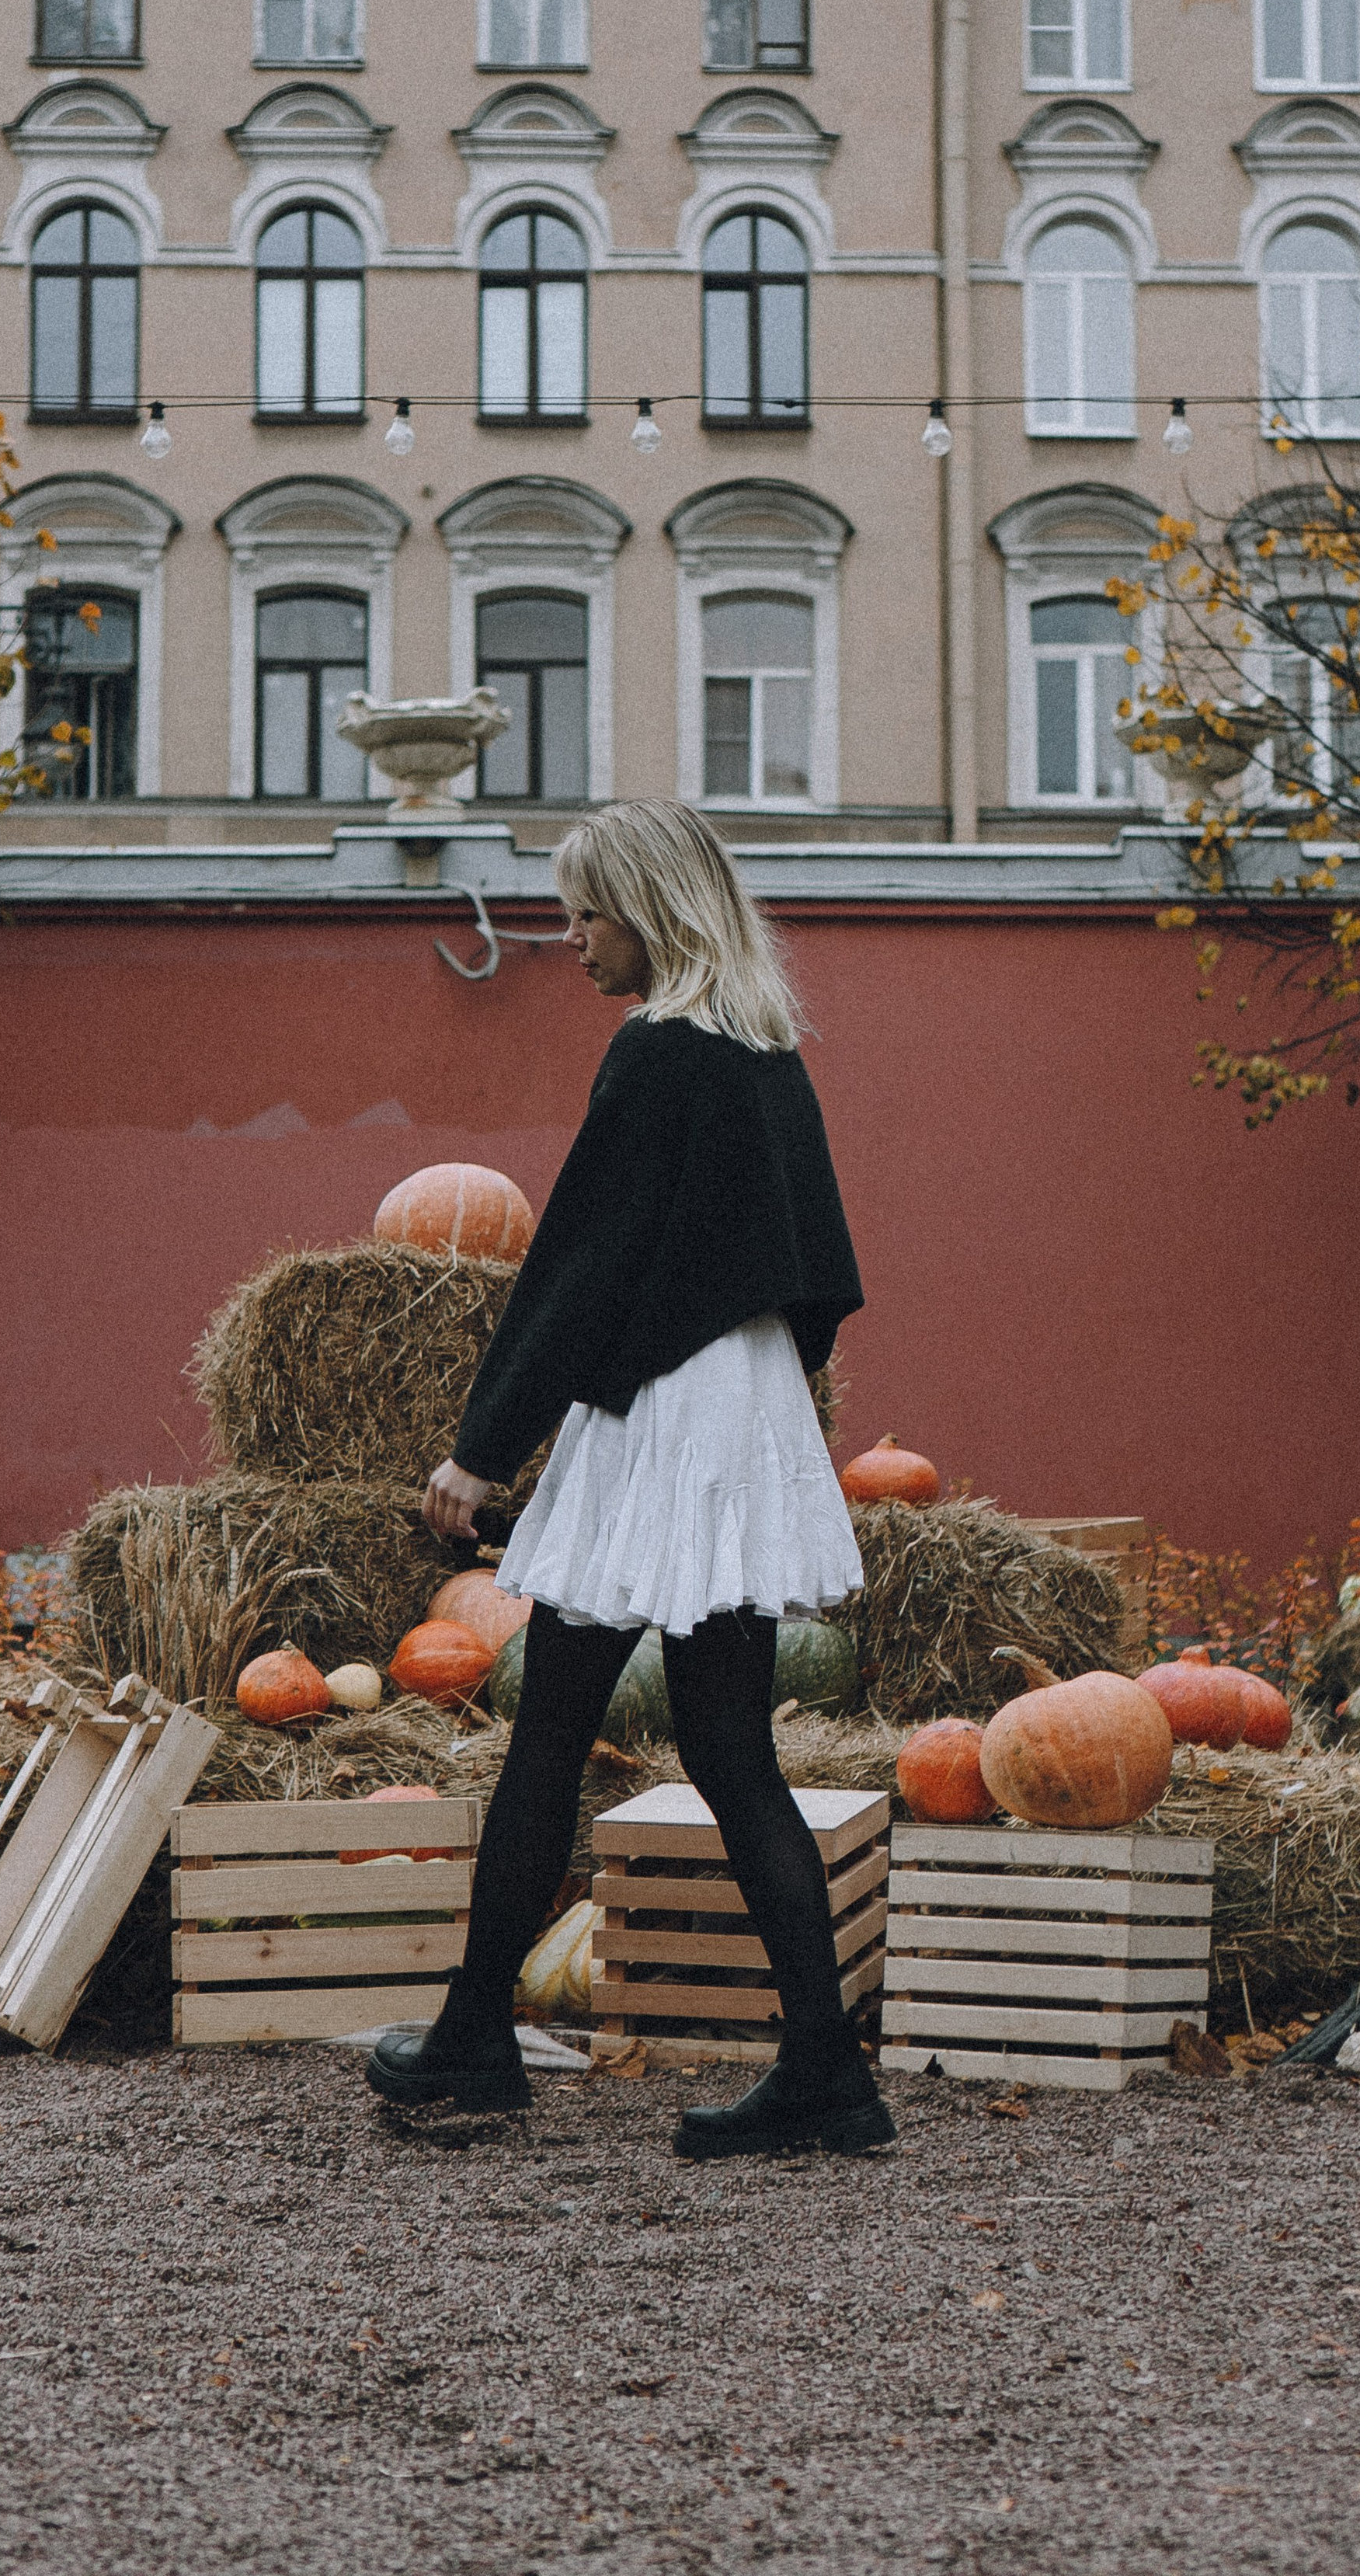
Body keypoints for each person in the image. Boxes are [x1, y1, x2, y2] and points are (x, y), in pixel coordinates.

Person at [364, 798, 893, 2160]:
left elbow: (582, 1266)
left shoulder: (655, 1056)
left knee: (552, 1732)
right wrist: (756, 1391)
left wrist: (486, 1442)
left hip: (660, 1419)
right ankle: (827, 2074)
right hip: (746, 1413)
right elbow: (819, 1274)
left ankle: (476, 2044)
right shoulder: (768, 1054)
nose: (573, 939)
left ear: (648, 913)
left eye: (586, 914)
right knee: (733, 1752)